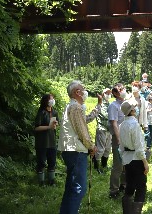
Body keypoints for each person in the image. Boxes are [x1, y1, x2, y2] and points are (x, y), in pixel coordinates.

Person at [58, 80, 98, 214]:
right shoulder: (76, 107)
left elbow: (83, 121)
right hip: (76, 151)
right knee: (78, 189)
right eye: (83, 89)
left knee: (71, 187)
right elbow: (82, 131)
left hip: (70, 150)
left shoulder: (71, 106)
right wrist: (91, 146)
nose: (85, 91)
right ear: (77, 92)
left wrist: (97, 107)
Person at [119, 100, 149, 214]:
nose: (135, 109)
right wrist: (145, 162)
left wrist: (123, 159)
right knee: (141, 188)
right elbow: (139, 146)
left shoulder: (121, 125)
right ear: (131, 111)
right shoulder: (134, 125)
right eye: (134, 108)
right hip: (137, 159)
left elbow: (120, 146)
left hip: (127, 159)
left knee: (130, 186)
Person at [34, 93, 59, 186]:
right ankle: (41, 182)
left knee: (52, 162)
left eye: (53, 98)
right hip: (42, 142)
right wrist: (48, 127)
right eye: (50, 99)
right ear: (46, 101)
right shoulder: (41, 112)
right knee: (41, 162)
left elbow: (56, 125)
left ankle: (51, 181)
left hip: (52, 141)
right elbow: (36, 128)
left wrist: (55, 124)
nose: (52, 100)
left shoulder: (54, 112)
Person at [108, 83, 127, 199]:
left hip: (126, 137)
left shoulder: (125, 104)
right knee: (118, 165)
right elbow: (114, 123)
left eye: (123, 89)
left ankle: (123, 185)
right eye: (120, 90)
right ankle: (113, 190)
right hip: (118, 137)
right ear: (115, 93)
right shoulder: (113, 106)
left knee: (126, 163)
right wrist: (119, 138)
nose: (123, 91)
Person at [93, 88, 112, 174]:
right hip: (102, 129)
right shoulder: (101, 105)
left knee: (107, 149)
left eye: (110, 93)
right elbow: (106, 115)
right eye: (107, 93)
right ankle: (96, 167)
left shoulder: (109, 104)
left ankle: (104, 165)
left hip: (109, 130)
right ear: (103, 94)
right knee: (100, 149)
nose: (109, 94)